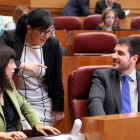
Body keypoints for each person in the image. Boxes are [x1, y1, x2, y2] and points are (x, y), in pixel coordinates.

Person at [0, 8, 64, 130]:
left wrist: (58, 108)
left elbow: (57, 78)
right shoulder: (11, 37)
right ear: (29, 29)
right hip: (18, 100)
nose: (46, 36)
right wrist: (23, 64)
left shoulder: (53, 43)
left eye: (50, 31)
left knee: (44, 135)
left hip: (43, 101)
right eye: (42, 31)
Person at [0, 44, 61, 139]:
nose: (14, 66)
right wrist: (3, 135)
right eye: (11, 62)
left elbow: (24, 106)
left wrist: (37, 124)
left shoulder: (8, 84)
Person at [87, 36, 140, 116]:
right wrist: (106, 127)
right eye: (114, 52)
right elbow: (95, 104)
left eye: (120, 53)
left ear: (134, 59)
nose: (114, 56)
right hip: (111, 127)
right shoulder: (102, 76)